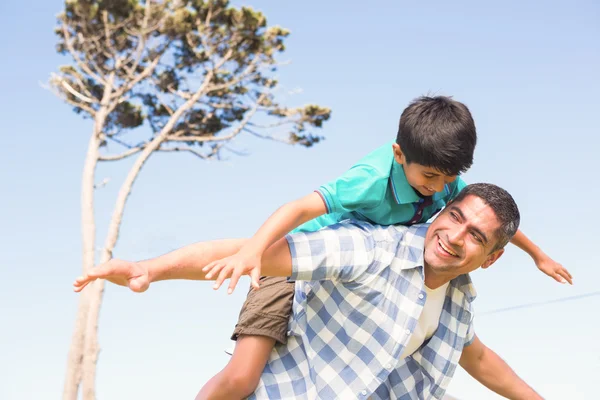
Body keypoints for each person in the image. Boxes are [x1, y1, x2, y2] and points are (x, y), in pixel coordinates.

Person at [201, 96, 569, 397]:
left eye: (448, 179)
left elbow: (491, 224)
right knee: (241, 378)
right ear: (399, 155)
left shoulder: (442, 180)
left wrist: (539, 255)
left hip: (354, 281)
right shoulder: (370, 180)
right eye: (429, 177)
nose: (438, 188)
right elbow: (300, 208)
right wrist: (253, 251)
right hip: (294, 265)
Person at [74, 183, 544, 399]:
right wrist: (149, 268)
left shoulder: (458, 300)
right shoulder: (372, 248)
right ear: (440, 211)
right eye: (455, 217)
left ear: (492, 257)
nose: (455, 237)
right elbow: (253, 253)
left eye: (476, 237)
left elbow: (477, 357)